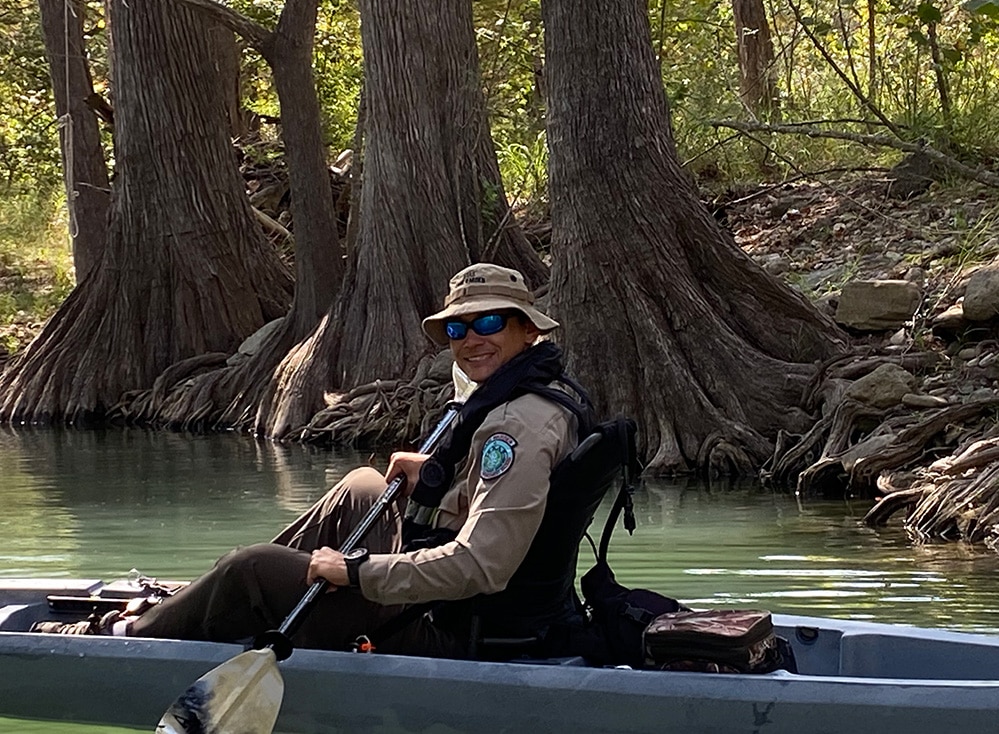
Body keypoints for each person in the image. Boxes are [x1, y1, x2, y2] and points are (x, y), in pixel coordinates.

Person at [35, 263, 607, 661]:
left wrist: (354, 572)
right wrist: (431, 482)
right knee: (364, 484)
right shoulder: (538, 391)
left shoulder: (516, 425)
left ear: (528, 329)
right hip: (486, 605)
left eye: (489, 323)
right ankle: (225, 599)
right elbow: (509, 510)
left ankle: (134, 632)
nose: (470, 339)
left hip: (463, 629)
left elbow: (484, 566)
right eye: (458, 327)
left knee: (252, 566)